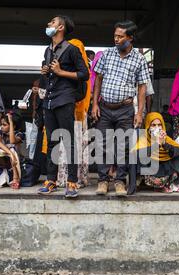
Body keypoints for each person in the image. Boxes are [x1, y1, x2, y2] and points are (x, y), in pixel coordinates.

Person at [91, 20, 150, 197]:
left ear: (130, 38)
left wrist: (139, 112)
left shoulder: (139, 59)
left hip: (125, 110)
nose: (116, 39)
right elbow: (98, 80)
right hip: (104, 108)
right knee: (102, 144)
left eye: (120, 36)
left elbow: (142, 87)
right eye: (115, 36)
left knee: (123, 146)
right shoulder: (107, 54)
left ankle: (119, 181)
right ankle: (102, 181)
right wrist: (94, 104)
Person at [37, 15, 90, 198]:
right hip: (50, 100)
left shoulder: (72, 49)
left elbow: (84, 74)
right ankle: (51, 180)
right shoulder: (48, 50)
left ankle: (72, 182)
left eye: (52, 22)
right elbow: (49, 74)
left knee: (68, 141)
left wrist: (61, 72)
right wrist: (45, 71)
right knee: (52, 141)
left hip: (65, 99)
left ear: (60, 27)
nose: (48, 24)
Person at [57, 39, 92, 188]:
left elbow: (86, 94)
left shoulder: (84, 72)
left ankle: (75, 178)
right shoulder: (63, 70)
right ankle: (68, 178)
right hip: (68, 113)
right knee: (67, 146)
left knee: (74, 146)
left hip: (78, 115)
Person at [132, 112, 179, 193]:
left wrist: (164, 144)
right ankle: (142, 184)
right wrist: (156, 145)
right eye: (153, 125)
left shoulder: (166, 138)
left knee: (177, 155)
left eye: (159, 125)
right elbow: (136, 154)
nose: (157, 128)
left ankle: (164, 185)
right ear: (148, 126)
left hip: (164, 170)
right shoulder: (144, 138)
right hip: (150, 170)